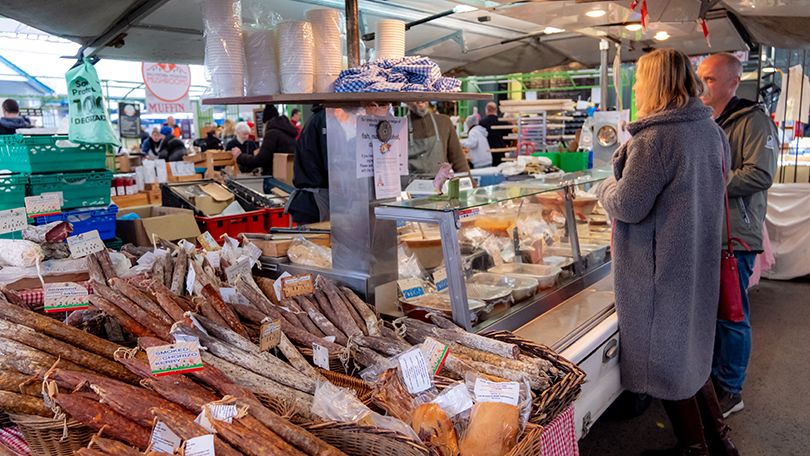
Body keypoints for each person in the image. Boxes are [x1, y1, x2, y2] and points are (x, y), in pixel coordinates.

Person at [597, 49, 737, 456]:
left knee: (669, 359)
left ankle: (694, 448)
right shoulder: (711, 131)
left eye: (640, 80)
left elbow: (627, 205)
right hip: (695, 262)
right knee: (691, 355)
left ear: (656, 83)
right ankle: (720, 442)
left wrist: (603, 187)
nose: (636, 87)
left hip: (661, 273)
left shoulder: (656, 138)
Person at [697, 53, 779, 417]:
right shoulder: (703, 120)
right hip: (706, 234)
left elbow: (760, 174)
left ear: (734, 81)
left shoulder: (753, 119)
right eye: (700, 78)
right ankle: (714, 381)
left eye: (711, 79)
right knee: (713, 315)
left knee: (732, 315)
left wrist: (707, 182)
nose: (702, 86)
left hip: (736, 235)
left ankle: (731, 389)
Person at [405, 101, 469, 186]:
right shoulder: (400, 126)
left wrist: (471, 190)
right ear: (406, 100)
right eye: (415, 97)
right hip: (410, 192)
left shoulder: (443, 122)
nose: (420, 101)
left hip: (440, 191)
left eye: (423, 95)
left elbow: (458, 161)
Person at [287, 105, 329, 224]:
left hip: (309, 200)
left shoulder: (318, 118)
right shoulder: (325, 119)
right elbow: (332, 163)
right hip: (315, 202)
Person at [231, 105, 296, 175]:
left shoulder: (272, 133)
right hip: (289, 175)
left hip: (275, 178)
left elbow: (260, 159)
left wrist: (240, 156)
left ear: (265, 122)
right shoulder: (288, 131)